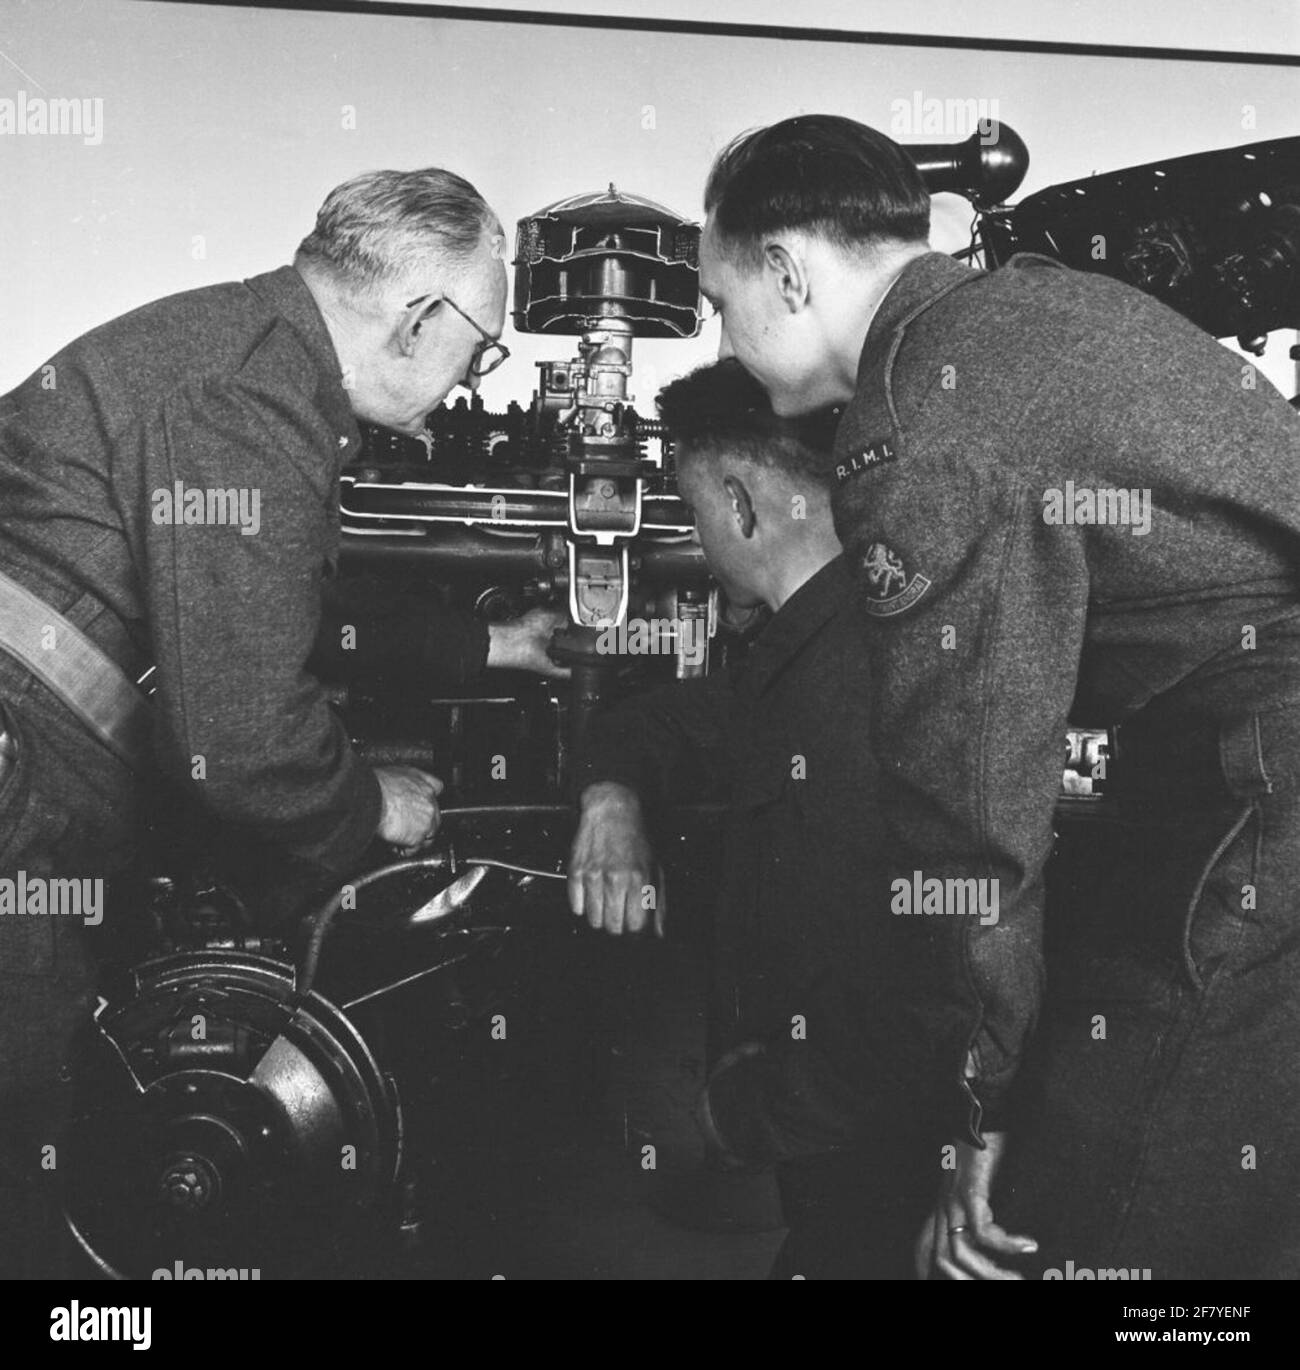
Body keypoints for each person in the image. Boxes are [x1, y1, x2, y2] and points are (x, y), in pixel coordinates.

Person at [698, 112, 1300, 1280]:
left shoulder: (920, 430)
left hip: (1260, 781)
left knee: (1078, 1222)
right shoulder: (1030, 309)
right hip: (1228, 765)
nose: (729, 339)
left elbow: (971, 824)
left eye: (723, 303)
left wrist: (978, 1106)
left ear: (785, 271)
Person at [0, 167, 556, 1276]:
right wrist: (366, 805)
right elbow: (246, 743)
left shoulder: (252, 361)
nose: (473, 380)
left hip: (44, 767)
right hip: (26, 787)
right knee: (42, 1131)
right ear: (418, 319)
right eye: (483, 350)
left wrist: (484, 645)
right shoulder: (247, 400)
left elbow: (279, 604)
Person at [569, 359, 940, 1278]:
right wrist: (612, 800)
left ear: (738, 504)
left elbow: (922, 986)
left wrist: (749, 1110)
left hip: (866, 1150)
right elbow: (661, 724)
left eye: (694, 511)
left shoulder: (866, 676)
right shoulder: (806, 646)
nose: (698, 542)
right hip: (822, 1144)